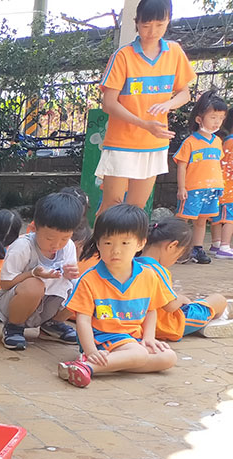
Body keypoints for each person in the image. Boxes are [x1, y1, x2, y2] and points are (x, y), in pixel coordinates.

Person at [59, 204, 178, 387]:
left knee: (168, 358)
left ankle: (94, 366)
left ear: (140, 243)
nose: (115, 250)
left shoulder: (148, 275)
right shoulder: (90, 279)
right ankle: (90, 364)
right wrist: (91, 351)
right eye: (108, 243)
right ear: (98, 244)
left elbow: (151, 310)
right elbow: (83, 320)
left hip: (133, 338)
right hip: (102, 339)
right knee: (139, 354)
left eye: (125, 243)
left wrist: (149, 337)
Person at [96, 0, 194, 216]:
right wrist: (144, 124)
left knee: (136, 209)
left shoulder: (175, 52)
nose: (152, 32)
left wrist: (168, 104)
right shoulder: (123, 56)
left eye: (159, 25)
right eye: (146, 25)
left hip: (154, 143)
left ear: (168, 21)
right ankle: (100, 239)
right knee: (112, 206)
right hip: (122, 142)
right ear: (136, 23)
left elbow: (185, 93)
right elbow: (108, 103)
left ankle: (131, 241)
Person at [0, 192, 83, 350]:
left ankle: (53, 325)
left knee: (84, 287)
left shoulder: (68, 247)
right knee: (34, 285)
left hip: (48, 304)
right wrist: (33, 273)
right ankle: (14, 327)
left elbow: (70, 279)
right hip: (15, 303)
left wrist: (70, 274)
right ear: (34, 228)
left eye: (64, 238)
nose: (56, 245)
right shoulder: (23, 246)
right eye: (49, 238)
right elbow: (5, 284)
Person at [138, 217, 233, 339]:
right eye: (179, 255)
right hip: (169, 325)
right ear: (172, 246)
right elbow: (170, 306)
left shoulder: (133, 265)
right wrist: (181, 299)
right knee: (219, 300)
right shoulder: (157, 270)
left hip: (140, 325)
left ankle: (217, 314)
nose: (175, 260)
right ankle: (219, 319)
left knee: (202, 303)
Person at [174, 91, 228, 264]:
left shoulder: (218, 141)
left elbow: (217, 166)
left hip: (211, 189)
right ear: (199, 119)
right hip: (192, 189)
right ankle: (177, 247)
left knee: (202, 220)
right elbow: (181, 166)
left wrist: (220, 186)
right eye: (213, 117)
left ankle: (197, 248)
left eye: (221, 118)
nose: (217, 122)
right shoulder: (190, 142)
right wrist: (182, 187)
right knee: (183, 219)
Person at [210, 108, 233, 259]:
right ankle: (225, 246)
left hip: (219, 184)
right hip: (229, 188)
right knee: (229, 217)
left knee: (217, 216)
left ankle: (216, 243)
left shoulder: (225, 140)